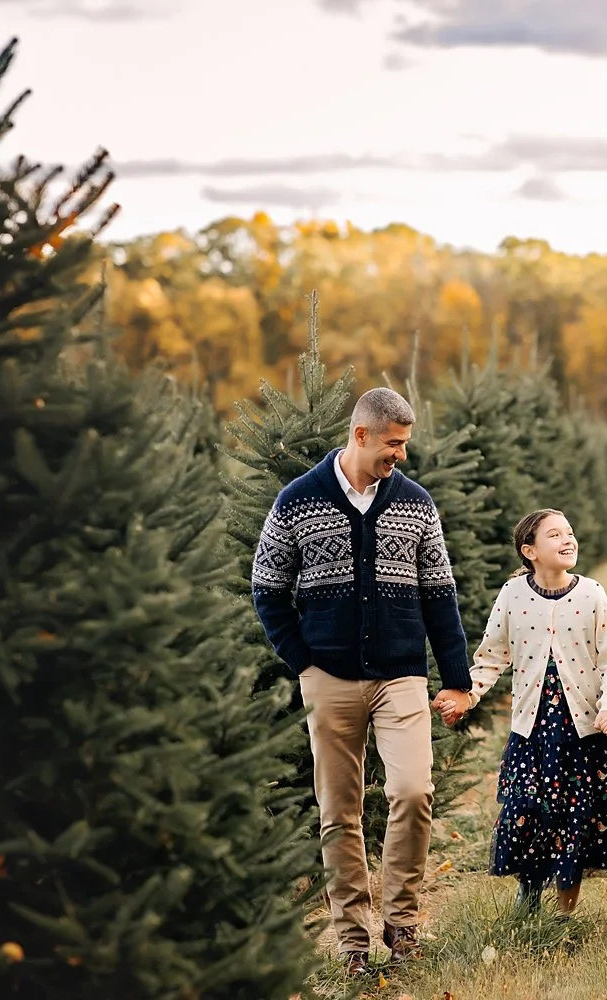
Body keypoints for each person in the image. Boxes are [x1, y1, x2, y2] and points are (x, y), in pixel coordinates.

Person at [250, 387, 472, 977]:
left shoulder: (416, 504)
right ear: (361, 436)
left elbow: (440, 596)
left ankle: (401, 922)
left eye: (405, 444)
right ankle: (352, 939)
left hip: (401, 676)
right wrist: (304, 663)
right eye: (393, 445)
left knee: (412, 791)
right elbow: (267, 589)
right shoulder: (298, 501)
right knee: (338, 811)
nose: (399, 455)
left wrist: (457, 679)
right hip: (330, 680)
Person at [435, 510, 607, 915]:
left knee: (577, 813)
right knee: (528, 809)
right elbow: (492, 656)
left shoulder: (592, 594)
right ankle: (529, 894)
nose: (568, 540)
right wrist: (467, 697)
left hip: (580, 730)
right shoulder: (513, 596)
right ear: (530, 551)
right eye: (554, 535)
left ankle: (564, 912)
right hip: (533, 731)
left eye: (570, 533)